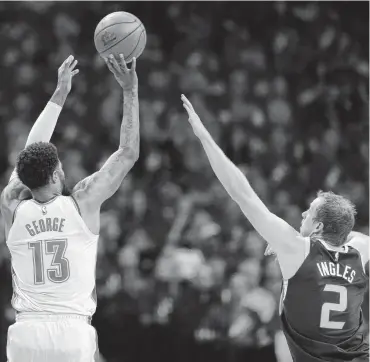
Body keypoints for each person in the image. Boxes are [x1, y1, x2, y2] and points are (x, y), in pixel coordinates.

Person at [180, 94, 369, 362]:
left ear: (318, 225)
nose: (302, 213)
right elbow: (351, 233)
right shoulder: (360, 250)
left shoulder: (297, 248)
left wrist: (204, 137)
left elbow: (241, 193)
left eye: (309, 211)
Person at [1, 53, 140, 362]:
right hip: (71, 333)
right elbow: (128, 153)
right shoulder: (82, 202)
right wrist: (130, 91)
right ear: (54, 175)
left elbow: (29, 150)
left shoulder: (10, 204)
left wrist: (60, 93)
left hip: (25, 333)